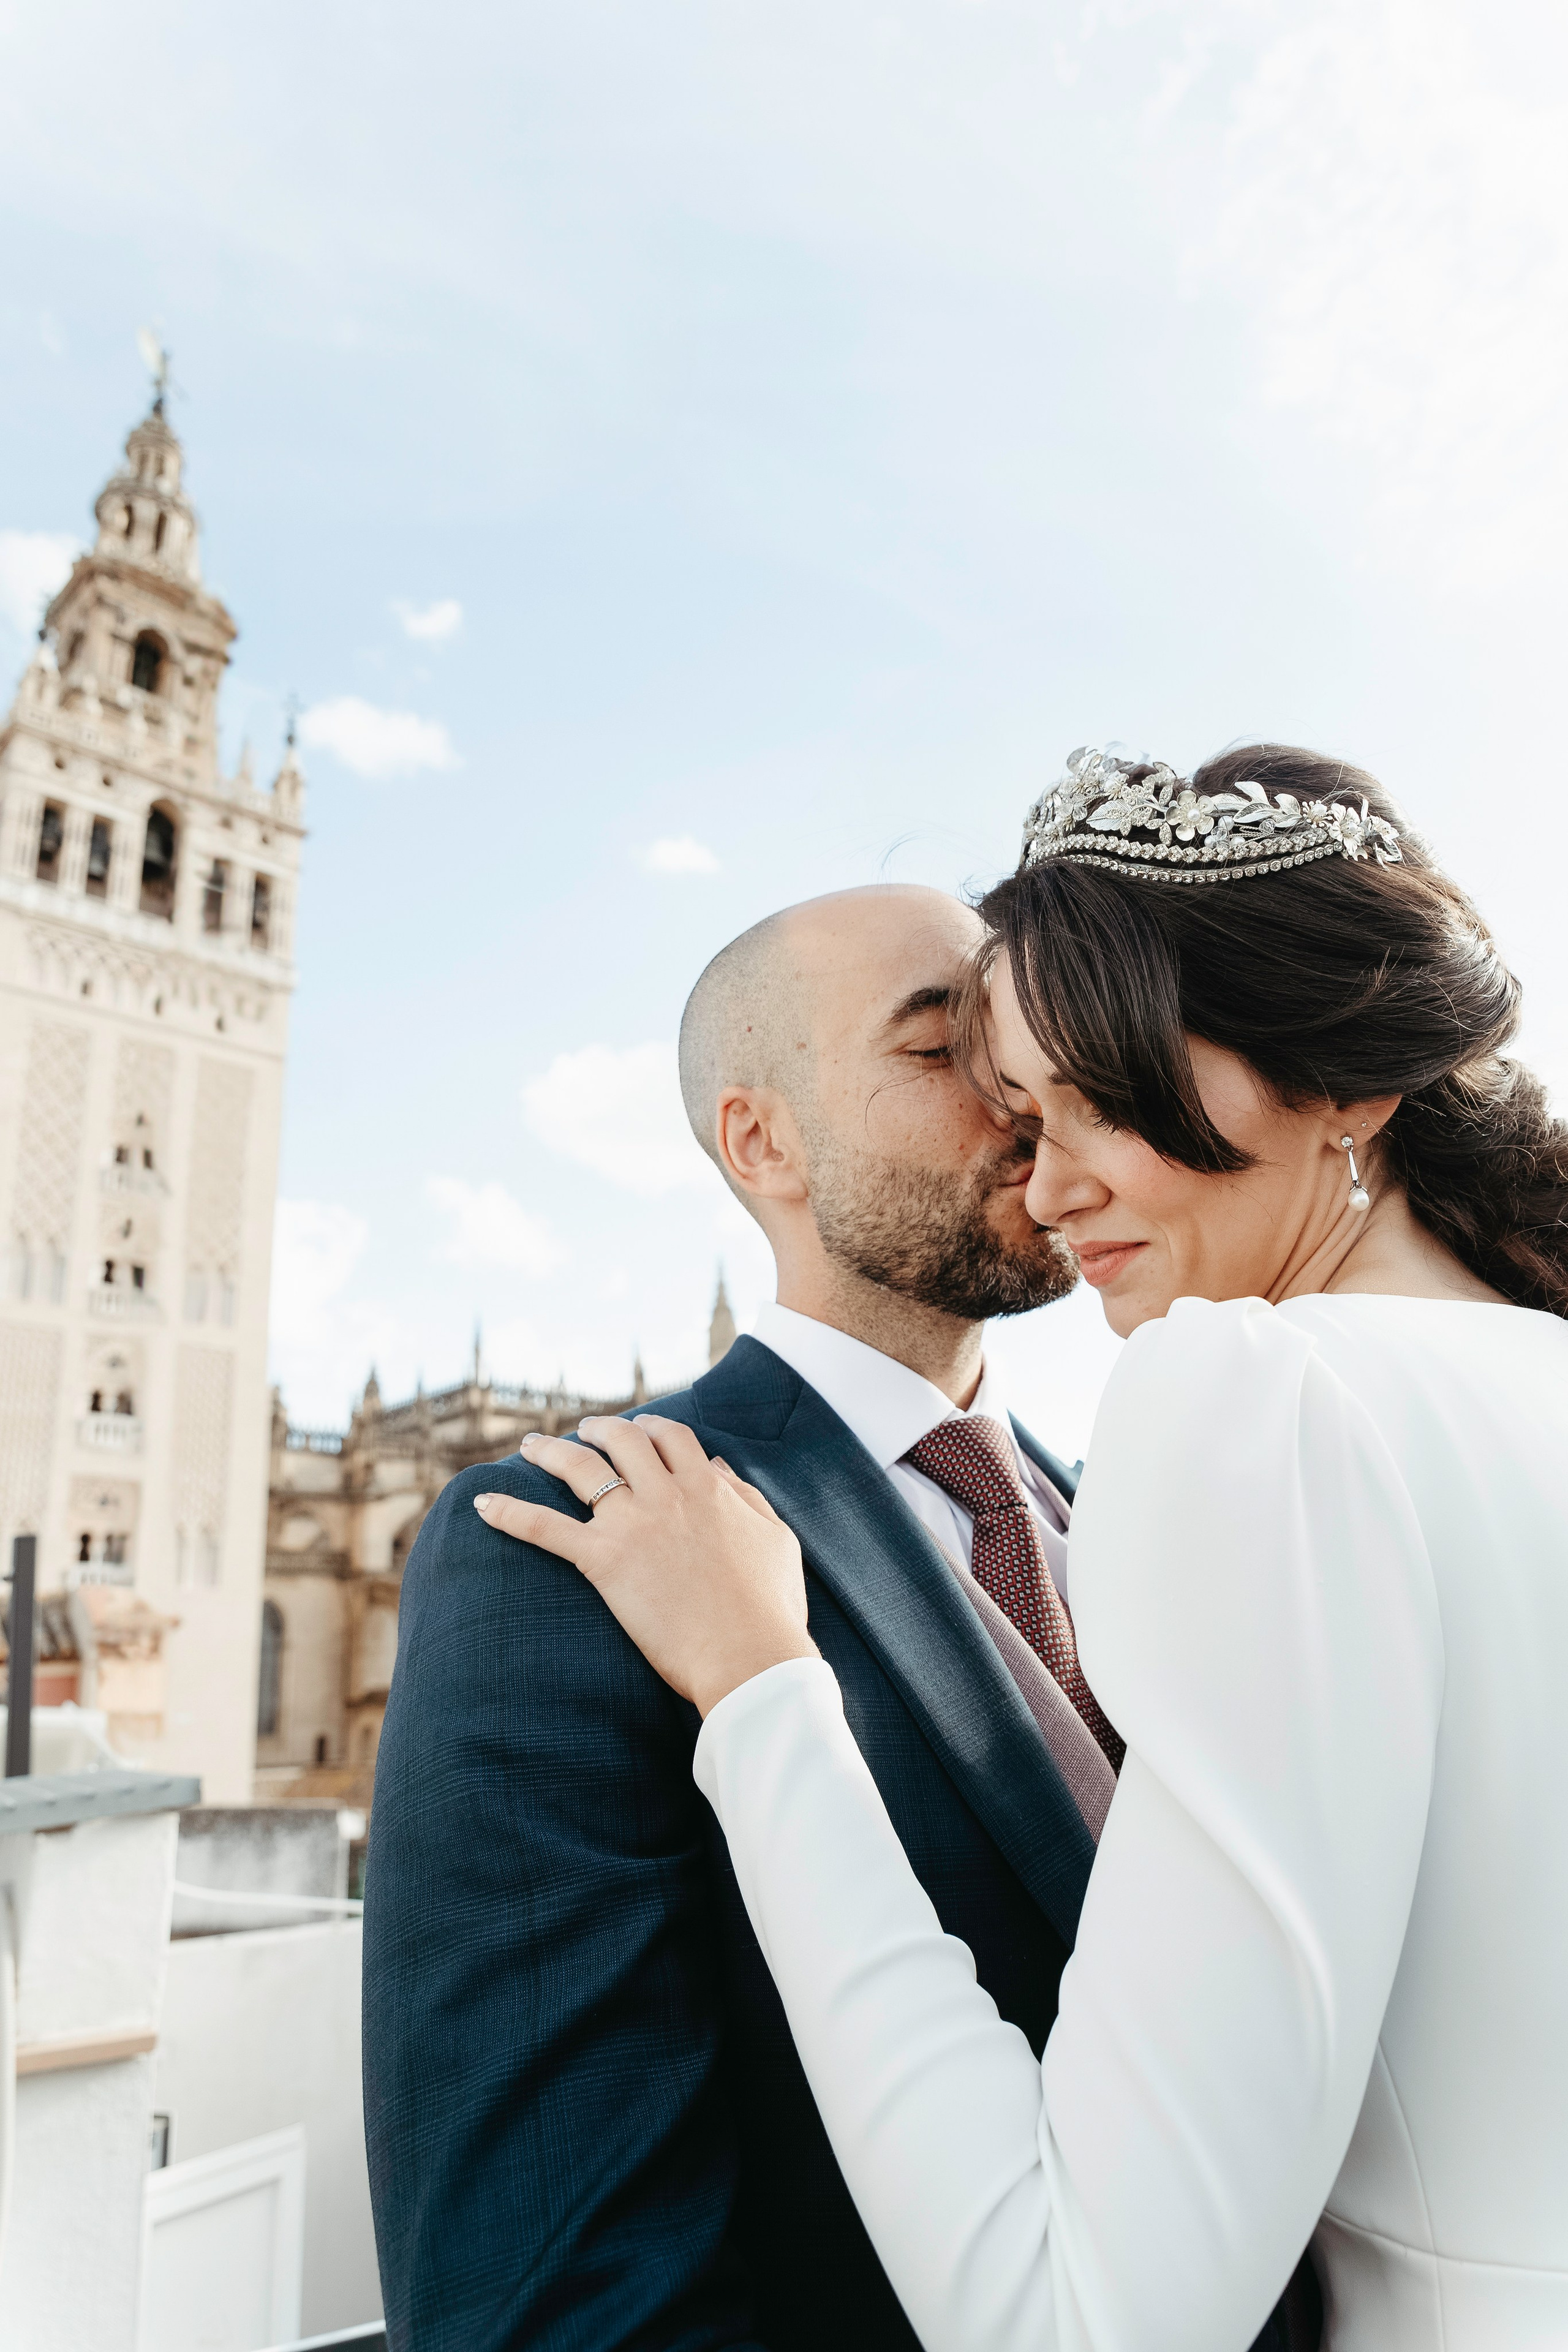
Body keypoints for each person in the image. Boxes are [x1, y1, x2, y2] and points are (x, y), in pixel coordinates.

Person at [483, 745, 1568, 2352]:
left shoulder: (1253, 1399)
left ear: (1343, 1080)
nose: (1043, 1182)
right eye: (1005, 1096)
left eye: (1097, 1100)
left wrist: (766, 1697)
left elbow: (1073, 2320)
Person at [368, 884, 1313, 2350]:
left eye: (1028, 1055)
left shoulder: (1116, 1519)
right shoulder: (570, 1540)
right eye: (942, 1052)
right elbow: (554, 2289)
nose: (1025, 1106)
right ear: (762, 1142)